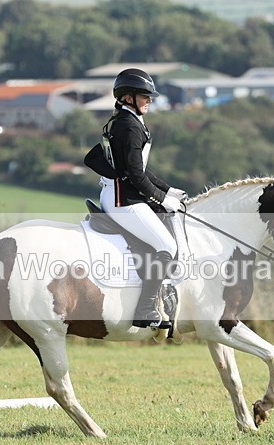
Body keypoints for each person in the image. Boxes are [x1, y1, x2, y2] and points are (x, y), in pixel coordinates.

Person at [94, 68, 187, 328]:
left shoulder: (130, 122)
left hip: (122, 194)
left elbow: (141, 170)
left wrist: (167, 191)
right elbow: (135, 176)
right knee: (166, 246)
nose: (149, 101)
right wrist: (160, 198)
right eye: (145, 96)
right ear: (127, 97)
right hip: (123, 200)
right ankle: (146, 309)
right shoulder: (129, 127)